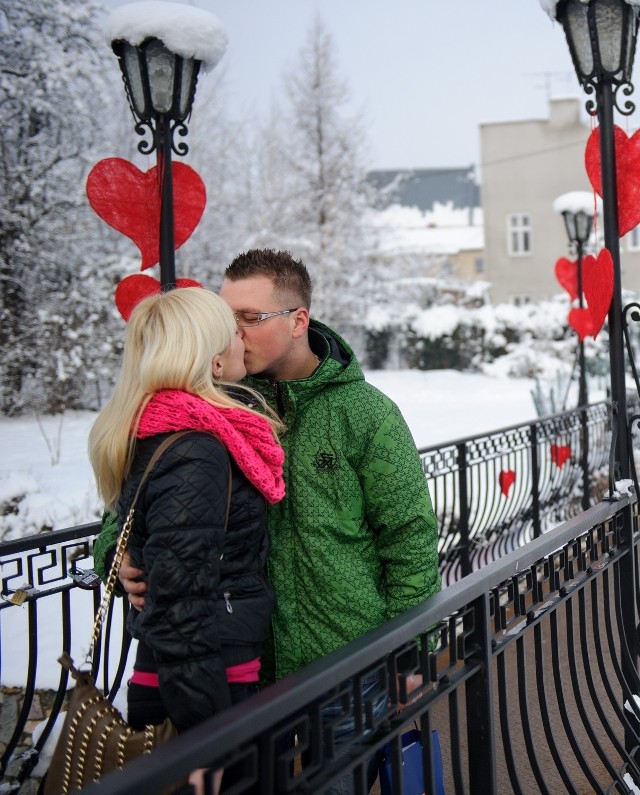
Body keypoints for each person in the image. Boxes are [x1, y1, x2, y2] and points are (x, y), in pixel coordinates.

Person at [95, 249, 440, 793]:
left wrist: (410, 652)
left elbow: (410, 538)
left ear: (298, 320)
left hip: (346, 663)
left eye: (249, 319)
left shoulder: (366, 414)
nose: (234, 334)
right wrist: (118, 554)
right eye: (227, 319)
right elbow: (136, 502)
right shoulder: (213, 407)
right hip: (250, 672)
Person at [88, 287, 285, 794]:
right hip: (204, 685)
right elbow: (179, 599)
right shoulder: (196, 450)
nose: (244, 341)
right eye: (232, 333)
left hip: (194, 673)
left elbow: (162, 548)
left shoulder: (171, 430)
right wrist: (207, 736)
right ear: (215, 361)